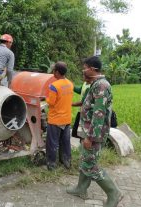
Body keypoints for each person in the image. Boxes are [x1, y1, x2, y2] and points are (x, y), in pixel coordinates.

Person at [66, 56, 123, 207]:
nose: (83, 70)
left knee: (90, 164)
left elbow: (99, 113)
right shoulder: (95, 84)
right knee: (86, 159)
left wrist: (90, 137)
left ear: (92, 69)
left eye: (84, 68)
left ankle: (114, 193)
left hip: (95, 133)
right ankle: (81, 188)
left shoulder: (101, 86)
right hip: (89, 130)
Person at [45, 61, 74, 171]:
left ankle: (51, 164)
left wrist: (46, 98)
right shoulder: (70, 84)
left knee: (52, 143)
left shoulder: (54, 86)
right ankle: (66, 161)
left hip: (55, 120)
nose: (53, 72)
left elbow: (51, 102)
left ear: (57, 72)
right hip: (66, 119)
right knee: (65, 142)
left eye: (53, 70)